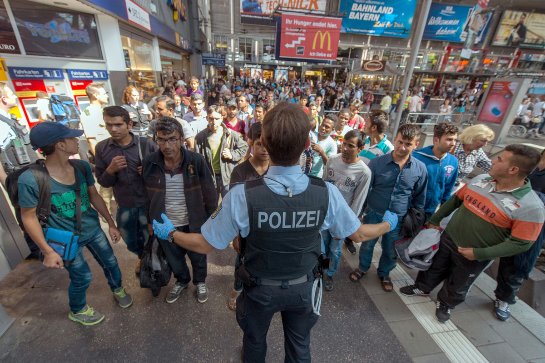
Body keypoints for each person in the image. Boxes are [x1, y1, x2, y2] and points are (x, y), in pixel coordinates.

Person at [150, 102, 398, 362]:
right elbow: (357, 234)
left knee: (255, 344)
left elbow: (205, 243)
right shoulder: (326, 193)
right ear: (306, 145)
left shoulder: (241, 196)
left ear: (265, 143)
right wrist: (388, 224)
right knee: (299, 347)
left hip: (259, 289)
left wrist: (171, 234)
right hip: (303, 286)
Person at [401, 144, 545, 323]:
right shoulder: (481, 179)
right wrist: (435, 221)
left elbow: (521, 243)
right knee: (434, 267)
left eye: (499, 159)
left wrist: (479, 254)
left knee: (459, 282)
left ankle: (446, 304)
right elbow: (455, 201)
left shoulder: (532, 207)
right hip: (448, 240)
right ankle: (422, 287)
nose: (492, 161)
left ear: (513, 169)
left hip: (474, 255)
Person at [19, 122, 133, 325]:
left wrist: (111, 223)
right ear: (60, 145)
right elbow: (28, 217)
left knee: (111, 263)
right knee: (82, 276)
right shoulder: (30, 179)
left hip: (93, 229)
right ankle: (78, 309)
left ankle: (117, 288)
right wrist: (47, 251)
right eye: (71, 138)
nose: (76, 140)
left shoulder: (81, 167)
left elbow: (94, 195)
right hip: (65, 239)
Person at [142, 116, 218, 303]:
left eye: (172, 139)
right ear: (156, 140)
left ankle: (200, 282)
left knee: (198, 256)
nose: (167, 145)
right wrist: (150, 221)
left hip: (195, 222)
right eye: (162, 139)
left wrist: (213, 219)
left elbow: (210, 191)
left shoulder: (196, 160)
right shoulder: (150, 162)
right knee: (174, 257)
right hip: (165, 224)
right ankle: (182, 280)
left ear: (182, 139)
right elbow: (146, 196)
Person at [350, 124, 428, 292]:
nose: (402, 147)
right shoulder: (377, 163)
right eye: (400, 142)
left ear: (416, 144)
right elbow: (365, 190)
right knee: (367, 244)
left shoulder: (420, 169)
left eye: (408, 143)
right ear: (395, 139)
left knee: (390, 249)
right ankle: (363, 268)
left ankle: (385, 273)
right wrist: (358, 214)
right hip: (373, 213)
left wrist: (416, 221)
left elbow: (419, 197)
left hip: (398, 219)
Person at [94, 106, 157, 273]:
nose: (113, 129)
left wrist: (149, 172)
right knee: (130, 239)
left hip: (148, 204)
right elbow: (103, 182)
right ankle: (142, 257)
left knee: (152, 237)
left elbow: (164, 175)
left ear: (129, 125)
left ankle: (151, 260)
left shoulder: (146, 145)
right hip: (125, 205)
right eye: (109, 125)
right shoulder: (102, 148)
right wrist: (110, 170)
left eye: (118, 124)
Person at [492, 149, 545, 321]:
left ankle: (504, 298)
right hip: (508, 218)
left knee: (518, 266)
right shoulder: (530, 166)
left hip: (532, 227)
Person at [322, 129, 371, 291]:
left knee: (334, 250)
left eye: (351, 145)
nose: (345, 148)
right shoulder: (332, 161)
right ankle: (320, 270)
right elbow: (323, 186)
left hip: (341, 220)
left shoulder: (364, 172)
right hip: (325, 215)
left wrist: (347, 225)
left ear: (360, 149)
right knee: (321, 246)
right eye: (344, 143)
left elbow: (358, 202)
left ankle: (329, 273)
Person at [227, 123, 269, 311]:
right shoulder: (240, 171)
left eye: (268, 144)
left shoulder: (277, 169)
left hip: (269, 228)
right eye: (260, 144)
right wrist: (236, 235)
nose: (264, 149)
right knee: (241, 263)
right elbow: (234, 206)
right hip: (246, 230)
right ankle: (237, 290)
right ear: (251, 142)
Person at [0, 82, 41, 258]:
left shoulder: (10, 120)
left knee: (41, 212)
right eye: (11, 94)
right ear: (3, 98)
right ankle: (38, 251)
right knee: (28, 214)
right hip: (18, 178)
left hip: (31, 173)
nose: (15, 96)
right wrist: (8, 184)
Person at [195, 105, 248, 197]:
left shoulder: (230, 134)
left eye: (217, 119)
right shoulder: (201, 137)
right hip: (210, 178)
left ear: (222, 118)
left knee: (228, 205)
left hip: (227, 177)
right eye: (211, 118)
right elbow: (196, 159)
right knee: (212, 207)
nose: (214, 122)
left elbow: (244, 147)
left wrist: (232, 155)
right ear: (207, 118)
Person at [413, 123, 459, 220]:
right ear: (436, 140)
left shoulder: (453, 161)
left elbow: (448, 189)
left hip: (430, 212)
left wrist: (442, 215)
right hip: (410, 210)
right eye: (449, 139)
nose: (453, 143)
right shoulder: (416, 157)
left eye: (455, 140)